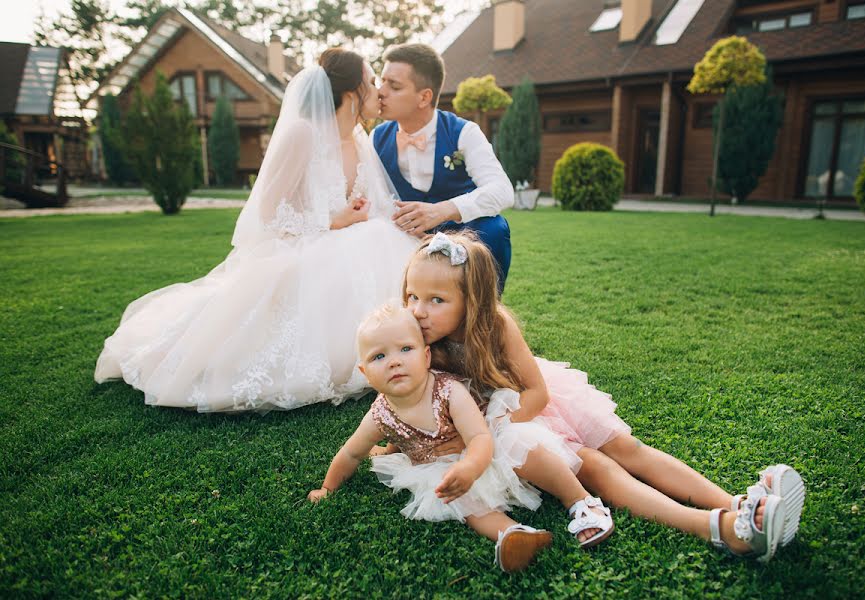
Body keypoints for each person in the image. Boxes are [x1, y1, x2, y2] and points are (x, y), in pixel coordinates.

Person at [402, 232, 806, 562]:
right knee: (595, 468)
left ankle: (736, 504)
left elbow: (537, 393)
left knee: (628, 449)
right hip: (505, 437)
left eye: (436, 300)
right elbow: (407, 400)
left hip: (530, 408)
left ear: (472, 302)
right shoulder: (414, 341)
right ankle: (720, 527)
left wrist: (495, 429)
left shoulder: (496, 327)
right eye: (412, 297)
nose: (419, 311)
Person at [94, 49, 419, 412]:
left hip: (347, 237)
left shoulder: (360, 139)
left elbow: (365, 200)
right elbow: (266, 212)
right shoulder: (302, 133)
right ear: (350, 92)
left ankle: (397, 346)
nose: (378, 92)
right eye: (371, 83)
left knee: (380, 238)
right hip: (300, 244)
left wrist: (360, 212)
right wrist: (331, 220)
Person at [308, 303, 618, 571]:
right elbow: (350, 454)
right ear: (365, 373)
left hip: (483, 453)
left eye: (406, 349)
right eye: (379, 356)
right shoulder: (379, 415)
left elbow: (481, 438)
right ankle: (514, 534)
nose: (394, 361)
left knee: (525, 449)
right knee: (463, 503)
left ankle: (580, 501)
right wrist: (327, 487)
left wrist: (470, 468)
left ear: (426, 356)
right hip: (443, 471)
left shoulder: (448, 391)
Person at [373, 43, 514, 292]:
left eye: (393, 86)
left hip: (462, 228)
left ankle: (483, 312)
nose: (380, 92)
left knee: (495, 228)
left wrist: (442, 211)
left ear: (424, 97)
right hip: (404, 231)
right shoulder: (376, 138)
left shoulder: (464, 132)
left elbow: (502, 190)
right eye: (381, 82)